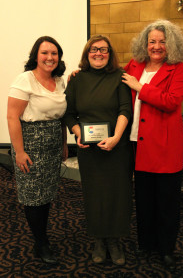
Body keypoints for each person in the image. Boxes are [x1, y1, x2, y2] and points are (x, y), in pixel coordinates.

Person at [121, 19, 183, 271]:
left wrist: (141, 87)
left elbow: (171, 101)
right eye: (152, 41)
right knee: (144, 198)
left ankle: (166, 248)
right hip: (137, 142)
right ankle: (146, 242)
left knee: (167, 201)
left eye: (162, 41)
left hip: (164, 146)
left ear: (171, 44)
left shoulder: (179, 69)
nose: (156, 46)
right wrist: (81, 72)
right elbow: (112, 76)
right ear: (145, 44)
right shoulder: (135, 64)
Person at [63, 35, 133, 265]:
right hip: (89, 150)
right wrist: (77, 132)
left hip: (116, 147)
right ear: (87, 53)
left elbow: (125, 110)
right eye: (94, 49)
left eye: (104, 49)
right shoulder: (77, 79)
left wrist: (116, 138)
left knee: (117, 194)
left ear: (110, 53)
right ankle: (99, 240)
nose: (99, 53)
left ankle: (114, 240)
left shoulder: (119, 77)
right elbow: (69, 113)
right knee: (94, 195)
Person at [7, 36, 68, 264]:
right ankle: (40, 242)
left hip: (52, 144)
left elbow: (60, 117)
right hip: (30, 144)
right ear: (36, 56)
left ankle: (41, 236)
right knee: (33, 197)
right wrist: (19, 152)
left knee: (46, 194)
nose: (50, 58)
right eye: (45, 53)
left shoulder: (60, 81)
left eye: (54, 53)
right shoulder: (25, 80)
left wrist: (63, 143)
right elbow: (12, 117)